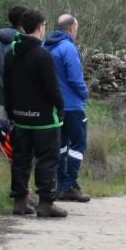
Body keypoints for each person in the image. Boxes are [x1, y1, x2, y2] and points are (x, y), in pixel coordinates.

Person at [4, 7, 67, 219]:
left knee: (21, 159)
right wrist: (60, 106)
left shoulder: (11, 54)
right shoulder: (42, 55)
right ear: (40, 27)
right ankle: (46, 202)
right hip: (44, 121)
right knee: (47, 159)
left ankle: (20, 201)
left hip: (20, 117)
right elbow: (52, 88)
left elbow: (7, 87)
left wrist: (12, 112)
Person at [46, 13, 91, 203]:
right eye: (77, 29)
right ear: (72, 28)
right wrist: (85, 93)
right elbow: (75, 78)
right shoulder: (68, 48)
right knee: (78, 145)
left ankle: (60, 184)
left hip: (54, 105)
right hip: (72, 105)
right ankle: (69, 185)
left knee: (61, 145)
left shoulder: (46, 46)